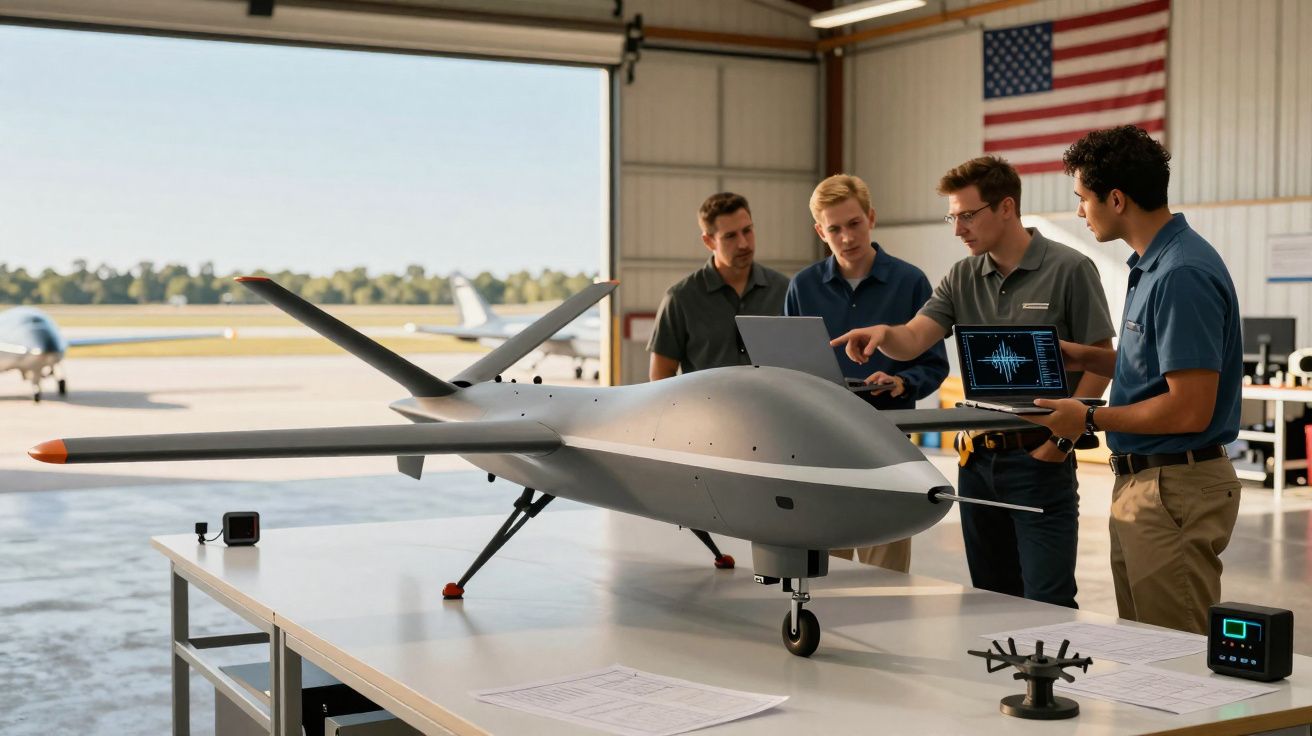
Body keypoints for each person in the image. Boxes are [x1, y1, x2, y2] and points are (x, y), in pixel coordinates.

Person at [831, 156, 1115, 608]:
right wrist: (885, 335)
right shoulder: (962, 277)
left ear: (1006, 207)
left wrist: (1059, 443)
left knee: (1048, 601)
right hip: (976, 465)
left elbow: (1101, 362)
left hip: (1040, 463)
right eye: (952, 216)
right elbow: (914, 338)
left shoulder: (1070, 270)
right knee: (988, 603)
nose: (957, 228)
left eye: (966, 215)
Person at [1024, 126, 1243, 634]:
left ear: (1116, 198)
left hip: (1173, 487)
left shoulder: (1180, 273)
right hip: (1149, 484)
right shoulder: (1154, 265)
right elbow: (1151, 368)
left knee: (1177, 655)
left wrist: (1088, 416)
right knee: (1148, 649)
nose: (1080, 212)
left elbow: (1190, 409)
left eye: (1082, 199)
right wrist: (1076, 354)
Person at [785, 174, 949, 573]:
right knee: (825, 576)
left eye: (854, 223)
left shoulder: (911, 282)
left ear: (871, 218)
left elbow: (934, 363)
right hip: (822, 452)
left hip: (888, 450)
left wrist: (902, 382)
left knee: (886, 578)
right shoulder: (802, 288)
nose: (846, 237)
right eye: (834, 229)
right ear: (819, 231)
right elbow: (786, 369)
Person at [648, 192, 790, 380]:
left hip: (771, 408)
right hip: (705, 408)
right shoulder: (681, 298)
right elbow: (661, 373)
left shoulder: (784, 289)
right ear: (709, 241)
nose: (743, 243)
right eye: (730, 236)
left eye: (747, 230)